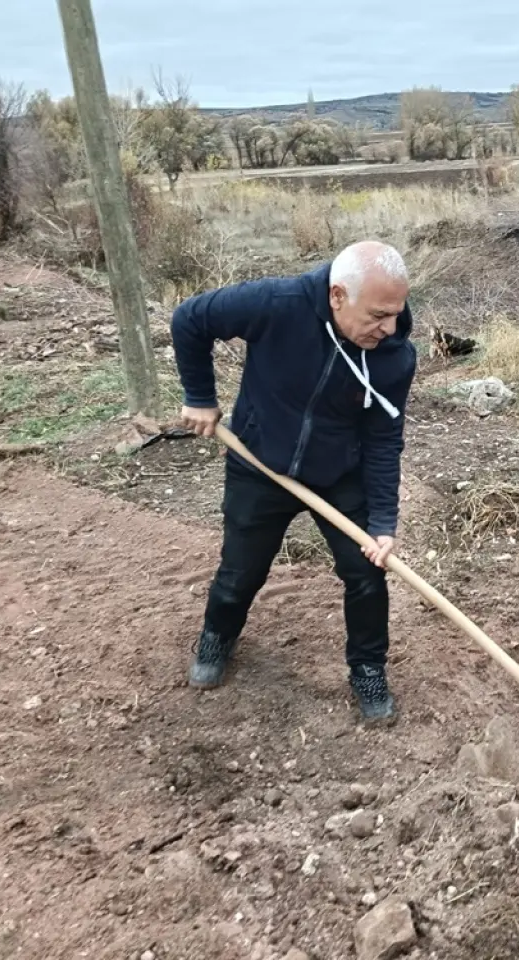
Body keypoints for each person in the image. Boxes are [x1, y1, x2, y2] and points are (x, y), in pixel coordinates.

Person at [169, 239, 417, 724]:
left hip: (338, 474)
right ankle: (218, 635)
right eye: (378, 315)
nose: (389, 328)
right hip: (259, 463)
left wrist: (383, 522)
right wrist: (199, 396)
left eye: (395, 314)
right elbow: (190, 319)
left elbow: (384, 440)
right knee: (241, 570)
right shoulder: (277, 304)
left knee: (367, 574)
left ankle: (367, 668)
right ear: (338, 295)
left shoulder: (394, 357)